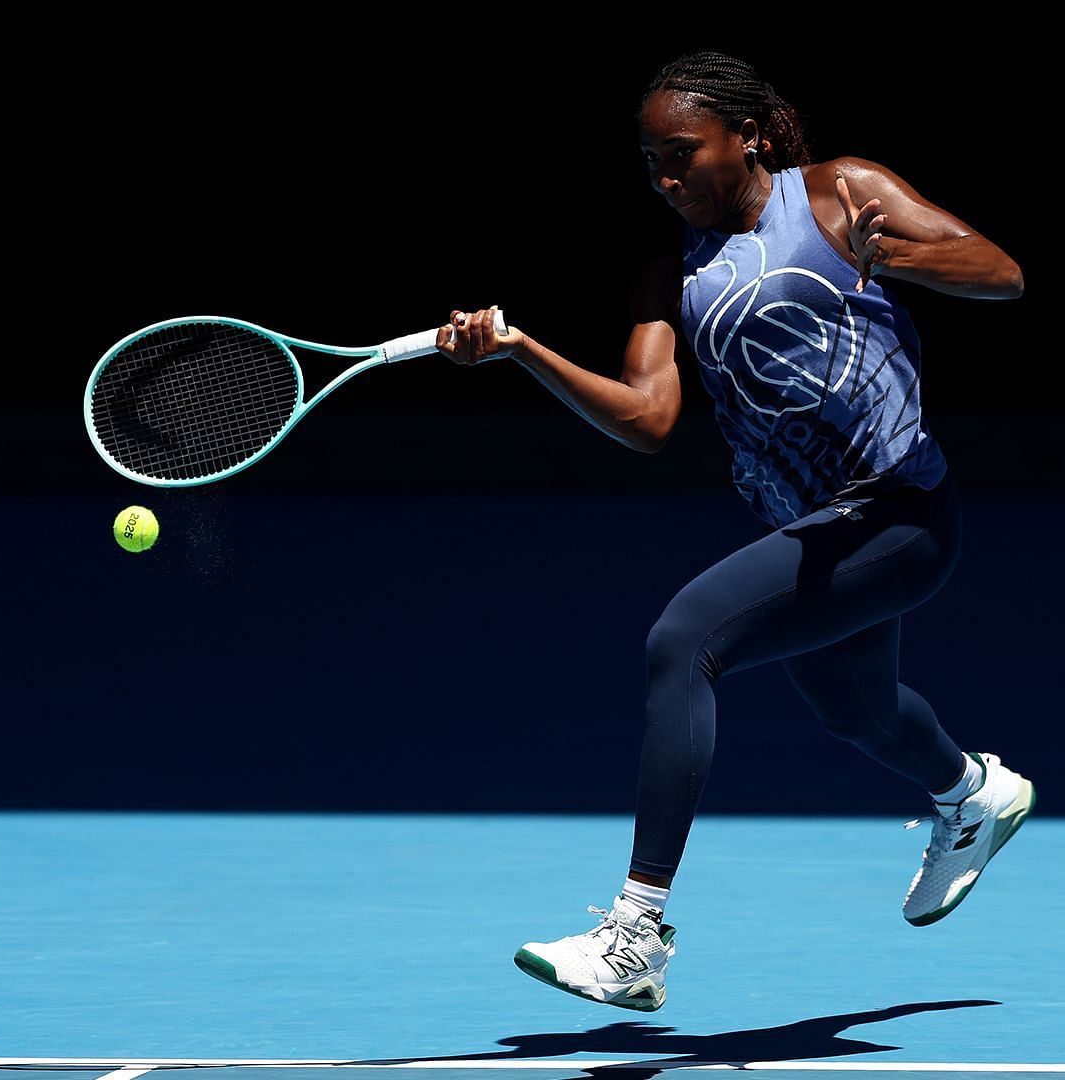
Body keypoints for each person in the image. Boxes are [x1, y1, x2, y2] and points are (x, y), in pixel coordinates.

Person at [435, 50, 1031, 1012]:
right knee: (857, 711)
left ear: (746, 137)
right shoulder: (664, 270)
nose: (665, 178)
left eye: (683, 154)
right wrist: (521, 351)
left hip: (899, 513)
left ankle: (636, 935)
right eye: (649, 161)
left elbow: (1001, 274)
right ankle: (972, 794)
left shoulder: (841, 192)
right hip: (816, 524)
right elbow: (647, 418)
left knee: (685, 640)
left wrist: (898, 257)